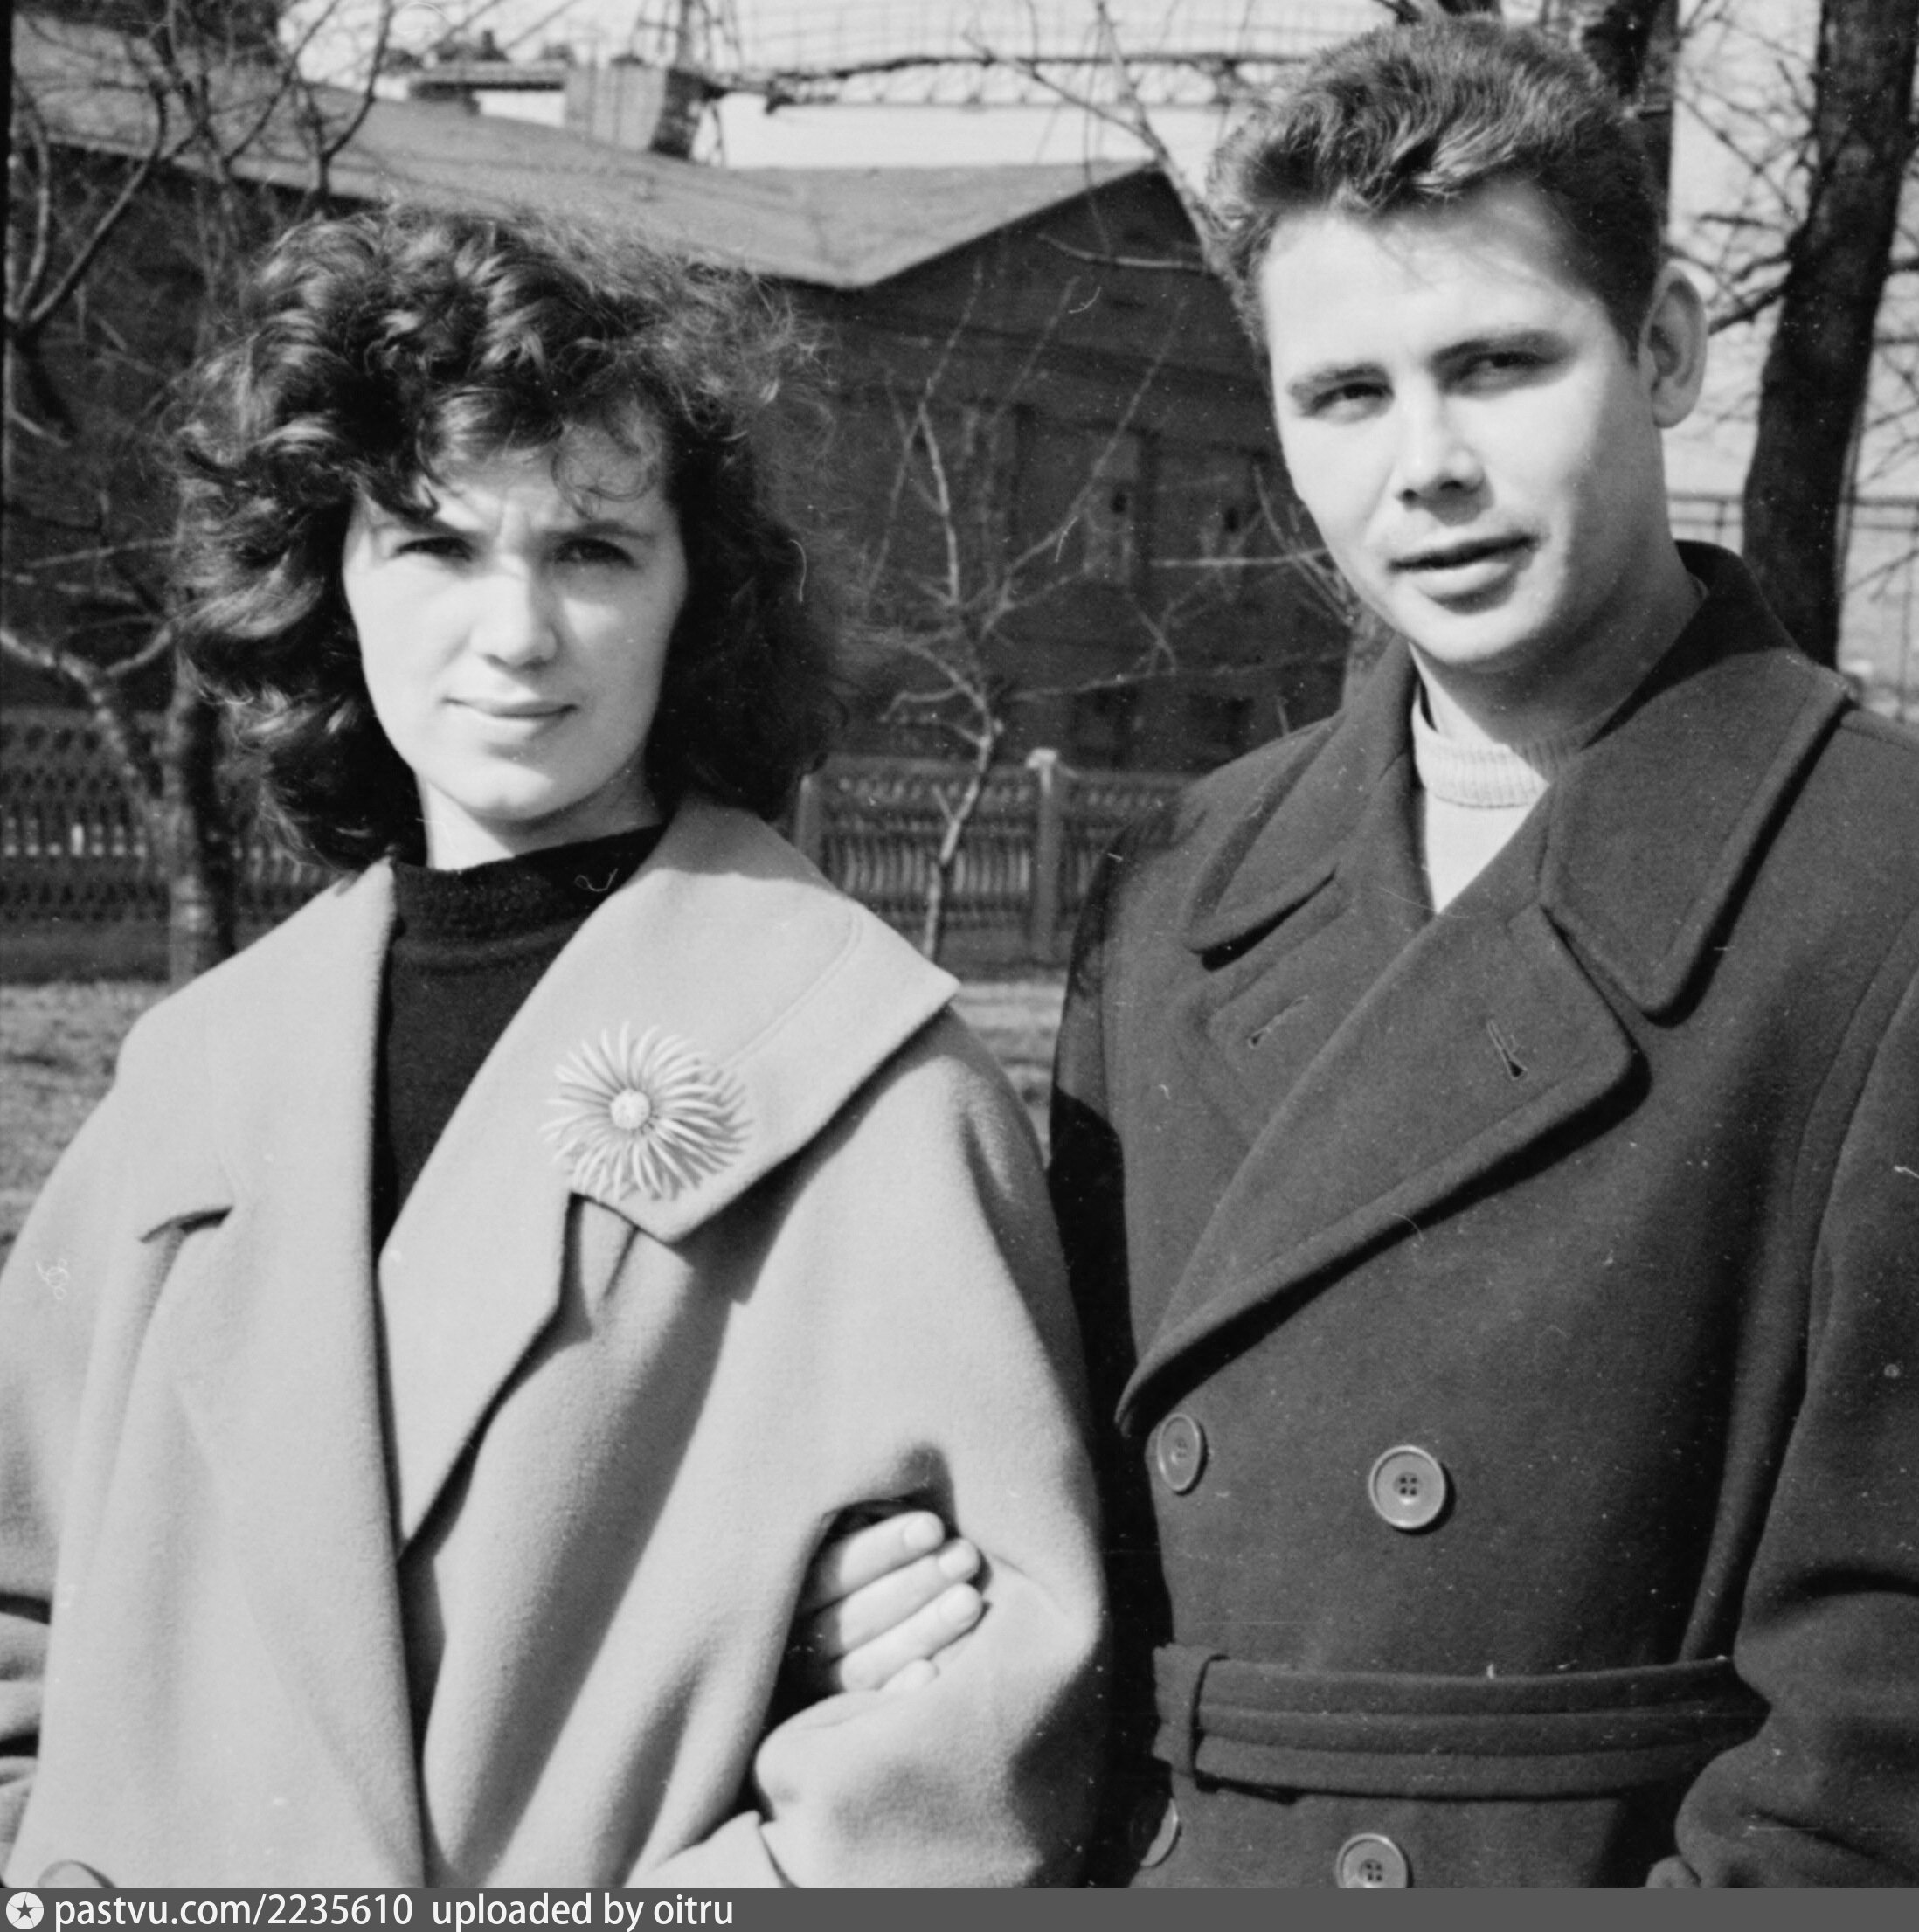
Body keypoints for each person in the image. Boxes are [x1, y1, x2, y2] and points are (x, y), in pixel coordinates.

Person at [836, 16, 1919, 1887]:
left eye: (1497, 365)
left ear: (1666, 351)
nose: (1426, 467)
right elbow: (1067, 1535)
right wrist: (899, 1595)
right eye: (1345, 395)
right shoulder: (1179, 888)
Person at [0, 207, 1104, 1887]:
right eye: (434, 546)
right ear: (328, 576)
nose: (514, 634)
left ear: (694, 598)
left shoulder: (866, 1070)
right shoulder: (197, 1073)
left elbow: (982, 1735)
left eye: (592, 551)